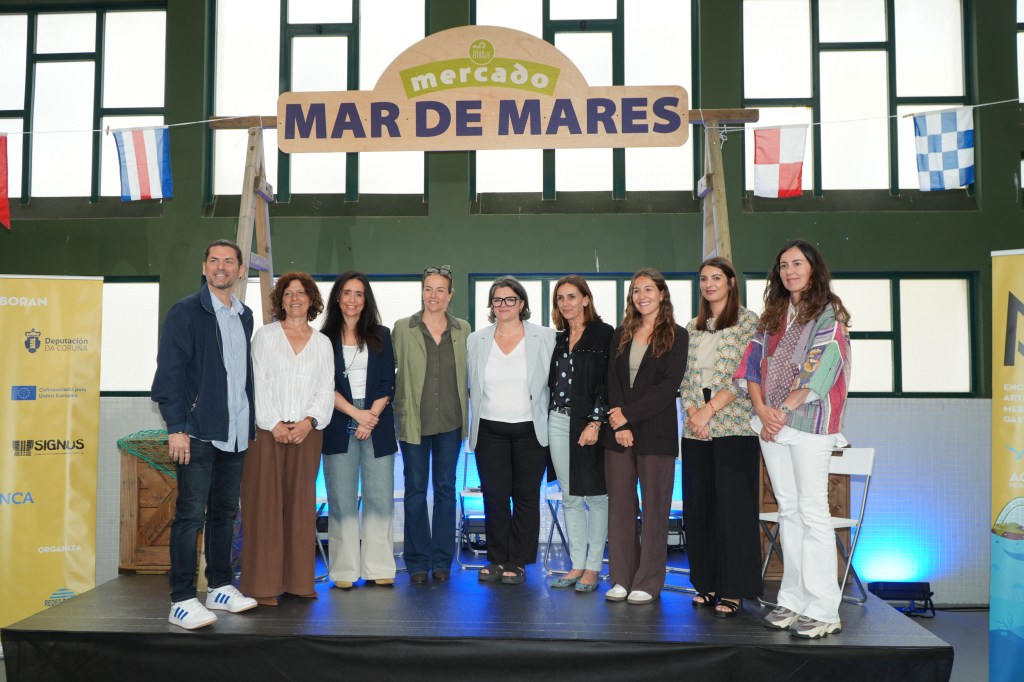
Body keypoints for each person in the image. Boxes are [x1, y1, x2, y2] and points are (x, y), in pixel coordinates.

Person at [734, 238, 852, 639]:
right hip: (768, 423)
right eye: (783, 265)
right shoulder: (771, 316)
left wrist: (781, 411)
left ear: (813, 268)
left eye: (797, 263)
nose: (789, 271)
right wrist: (763, 410)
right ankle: (794, 599)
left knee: (813, 511)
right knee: (788, 511)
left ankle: (824, 608)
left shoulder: (828, 313)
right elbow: (750, 366)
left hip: (809, 425)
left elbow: (823, 368)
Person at [152, 239, 258, 629]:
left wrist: (247, 425)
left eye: (229, 262)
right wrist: (176, 427)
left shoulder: (244, 316)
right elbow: (170, 375)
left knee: (225, 515)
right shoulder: (184, 313)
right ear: (204, 267)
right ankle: (181, 598)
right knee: (190, 516)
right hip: (196, 433)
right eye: (214, 261)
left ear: (240, 270)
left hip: (234, 432)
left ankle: (219, 586)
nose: (221, 267)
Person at [239, 272, 334, 606]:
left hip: (307, 434)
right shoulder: (265, 337)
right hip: (266, 433)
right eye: (289, 293)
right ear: (280, 300)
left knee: (300, 507)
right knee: (263, 507)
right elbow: (257, 383)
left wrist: (310, 422)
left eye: (302, 293)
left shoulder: (323, 343)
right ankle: (262, 585)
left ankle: (298, 582)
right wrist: (273, 422)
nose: (295, 298)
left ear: (311, 300)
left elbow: (326, 388)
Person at [680, 257, 762, 618]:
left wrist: (708, 412)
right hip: (694, 430)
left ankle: (734, 589)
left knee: (733, 510)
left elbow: (743, 375)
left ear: (731, 281)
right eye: (703, 279)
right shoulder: (692, 326)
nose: (709, 284)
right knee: (700, 508)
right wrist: (693, 415)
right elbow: (682, 378)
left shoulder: (748, 322)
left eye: (716, 278)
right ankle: (707, 583)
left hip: (734, 427)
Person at [603, 268, 688, 605]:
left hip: (656, 432)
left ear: (662, 294)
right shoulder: (621, 333)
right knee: (621, 508)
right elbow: (612, 379)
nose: (642, 296)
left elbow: (669, 387)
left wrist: (629, 416)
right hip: (618, 434)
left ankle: (648, 581)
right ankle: (622, 578)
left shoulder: (678, 335)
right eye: (636, 291)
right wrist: (620, 423)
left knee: (655, 509)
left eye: (648, 289)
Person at [467, 276, 556, 585]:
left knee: (526, 496)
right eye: (497, 300)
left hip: (530, 430)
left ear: (522, 303)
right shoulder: (476, 340)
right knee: (494, 497)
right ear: (491, 306)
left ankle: (517, 561)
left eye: (509, 299)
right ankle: (496, 558)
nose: (503, 305)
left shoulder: (545, 337)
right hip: (489, 430)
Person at [393, 266, 470, 584]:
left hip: (451, 423)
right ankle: (416, 562)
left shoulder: (464, 329)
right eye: (428, 288)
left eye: (440, 289)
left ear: (450, 295)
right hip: (414, 422)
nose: (433, 295)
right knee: (414, 491)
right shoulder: (402, 328)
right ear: (422, 291)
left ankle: (441, 560)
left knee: (445, 491)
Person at [320, 272, 398, 588]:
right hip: (339, 418)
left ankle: (379, 567)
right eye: (347, 293)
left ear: (366, 300)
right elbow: (324, 386)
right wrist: (356, 415)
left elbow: (387, 383)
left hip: (377, 420)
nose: (353, 299)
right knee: (341, 499)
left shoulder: (382, 334)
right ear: (337, 298)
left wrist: (370, 417)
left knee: (380, 497)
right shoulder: (322, 339)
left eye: (359, 294)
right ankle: (344, 571)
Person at [545, 275, 614, 593]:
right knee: (571, 497)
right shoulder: (560, 338)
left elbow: (607, 383)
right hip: (558, 422)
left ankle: (593, 568)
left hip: (589, 424)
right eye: (560, 298)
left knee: (597, 497)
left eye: (572, 296)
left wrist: (597, 422)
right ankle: (576, 565)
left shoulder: (604, 334)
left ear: (586, 299)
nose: (566, 303)